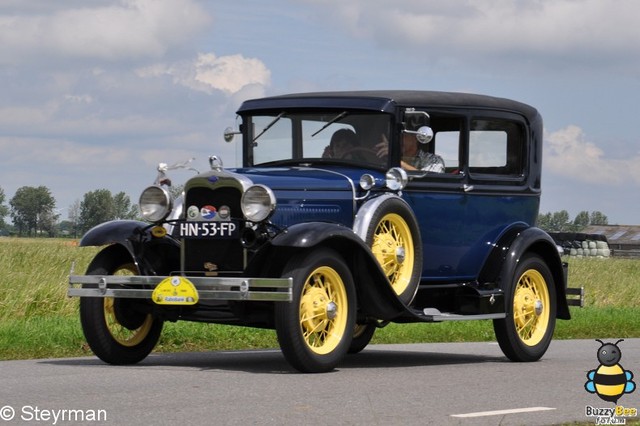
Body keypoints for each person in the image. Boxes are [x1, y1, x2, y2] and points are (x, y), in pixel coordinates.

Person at [375, 133, 445, 172]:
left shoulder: (434, 160)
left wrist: (397, 161)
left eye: (403, 136)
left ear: (415, 138)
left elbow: (429, 180)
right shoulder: (388, 160)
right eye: (397, 137)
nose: (399, 140)